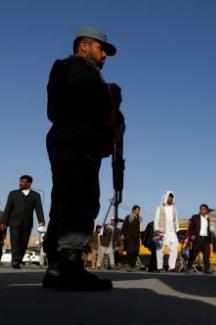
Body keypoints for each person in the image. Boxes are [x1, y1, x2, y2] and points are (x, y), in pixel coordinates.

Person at [42, 26, 118, 290]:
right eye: (101, 49)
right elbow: (91, 105)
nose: (105, 56)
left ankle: (55, 269)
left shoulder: (67, 69)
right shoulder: (80, 67)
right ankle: (70, 267)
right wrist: (111, 103)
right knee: (80, 199)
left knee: (63, 200)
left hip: (68, 138)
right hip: (78, 140)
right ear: (84, 46)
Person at [0, 175, 45, 269]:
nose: (20, 183)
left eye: (23, 181)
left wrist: (41, 221)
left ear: (29, 183)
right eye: (20, 181)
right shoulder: (13, 194)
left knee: (24, 242)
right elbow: (8, 208)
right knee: (15, 240)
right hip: (14, 222)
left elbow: (39, 209)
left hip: (27, 223)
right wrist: (4, 222)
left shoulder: (36, 195)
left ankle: (18, 259)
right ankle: (15, 260)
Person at [187, 204, 216, 274]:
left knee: (207, 255)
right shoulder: (195, 217)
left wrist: (210, 239)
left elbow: (207, 229)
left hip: (206, 239)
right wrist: (192, 235)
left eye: (204, 209)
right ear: (200, 210)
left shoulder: (207, 219)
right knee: (193, 254)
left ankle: (206, 270)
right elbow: (191, 227)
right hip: (198, 239)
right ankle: (188, 267)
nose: (203, 210)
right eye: (202, 209)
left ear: (206, 210)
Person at [154, 192, 180, 271]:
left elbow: (176, 219)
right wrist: (156, 229)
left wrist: (177, 229)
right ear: (166, 198)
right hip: (162, 231)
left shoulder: (174, 208)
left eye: (172, 198)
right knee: (160, 249)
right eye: (169, 197)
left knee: (175, 247)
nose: (171, 199)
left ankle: (171, 267)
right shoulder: (160, 207)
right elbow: (156, 218)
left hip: (172, 231)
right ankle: (159, 267)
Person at [121, 205, 141, 271]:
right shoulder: (129, 217)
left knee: (136, 251)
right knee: (130, 251)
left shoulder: (138, 218)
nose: (139, 211)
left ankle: (133, 266)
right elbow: (124, 226)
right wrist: (122, 234)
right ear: (134, 210)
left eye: (139, 210)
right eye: (138, 210)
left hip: (136, 238)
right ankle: (128, 264)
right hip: (129, 237)